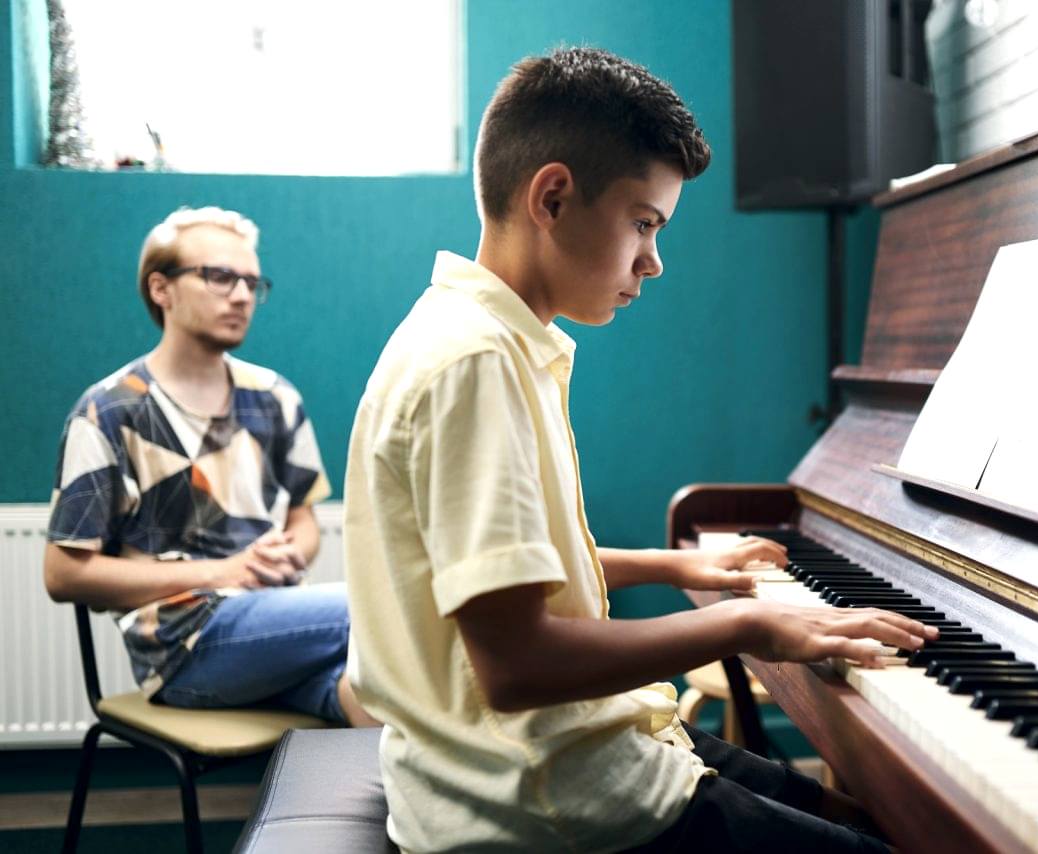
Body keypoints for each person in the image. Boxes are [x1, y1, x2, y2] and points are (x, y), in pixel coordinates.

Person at [343, 48, 936, 852]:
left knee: (869, 821)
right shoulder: (476, 364)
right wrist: (748, 628)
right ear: (552, 197)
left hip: (564, 753)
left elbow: (512, 576)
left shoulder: (483, 338)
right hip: (539, 797)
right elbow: (519, 664)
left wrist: (672, 566)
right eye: (644, 223)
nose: (653, 262)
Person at [44, 206, 376, 727]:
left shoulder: (274, 397)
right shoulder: (108, 411)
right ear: (161, 289)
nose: (242, 295)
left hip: (275, 625)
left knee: (384, 697)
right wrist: (226, 571)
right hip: (182, 645)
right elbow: (63, 574)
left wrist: (286, 552)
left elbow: (304, 520)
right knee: (386, 609)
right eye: (220, 277)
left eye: (251, 282)